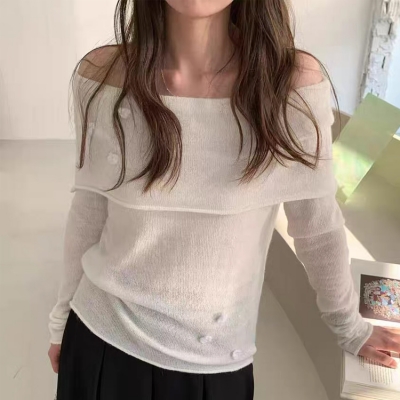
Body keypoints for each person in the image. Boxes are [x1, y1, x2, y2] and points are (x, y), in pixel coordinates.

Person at [48, 1, 400, 399]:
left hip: (213, 365)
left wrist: (350, 327)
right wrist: (61, 319)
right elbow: (89, 210)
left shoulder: (291, 85)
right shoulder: (103, 77)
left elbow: (317, 227)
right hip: (99, 341)